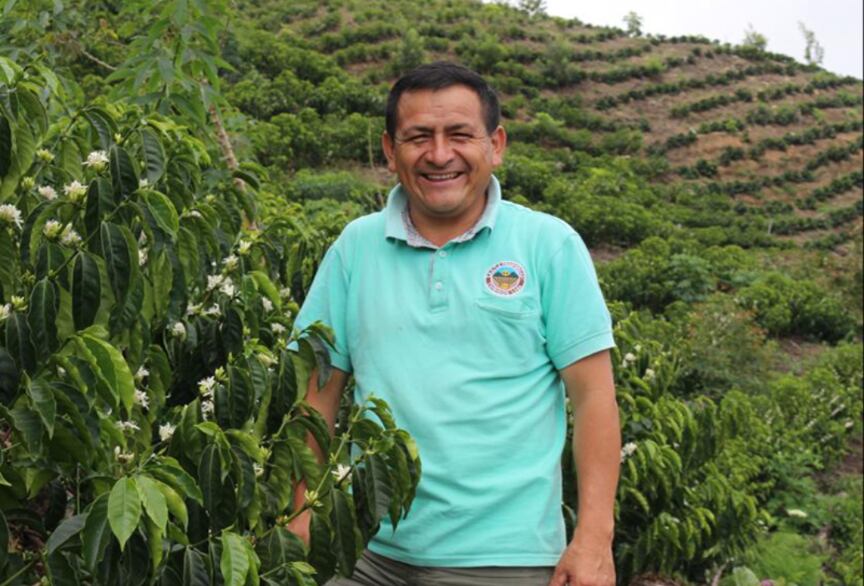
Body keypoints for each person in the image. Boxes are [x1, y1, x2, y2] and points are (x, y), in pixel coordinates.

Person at [289, 61, 620, 586]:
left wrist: (595, 539)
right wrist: (301, 509)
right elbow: (317, 392)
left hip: (504, 559)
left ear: (496, 145)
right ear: (389, 150)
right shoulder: (355, 247)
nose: (440, 154)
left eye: (460, 135)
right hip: (362, 551)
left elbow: (594, 397)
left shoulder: (548, 245)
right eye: (419, 136)